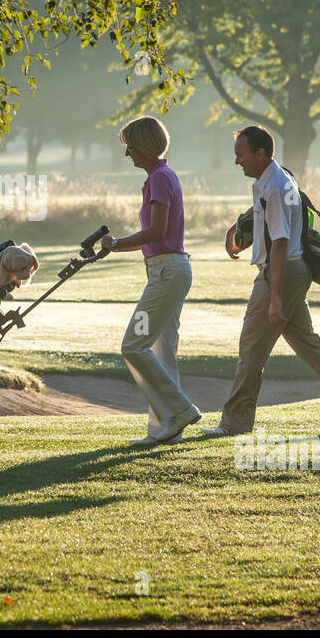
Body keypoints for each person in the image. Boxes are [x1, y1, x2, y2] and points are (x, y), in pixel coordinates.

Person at [204, 125, 320, 437]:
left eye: (241, 155)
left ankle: (235, 423)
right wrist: (236, 227)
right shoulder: (276, 177)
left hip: (281, 272)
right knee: (310, 347)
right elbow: (260, 209)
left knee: (251, 349)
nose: (237, 162)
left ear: (260, 154)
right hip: (295, 272)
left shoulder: (273, 187)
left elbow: (281, 243)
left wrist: (274, 297)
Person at [100, 116, 202, 445]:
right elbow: (156, 235)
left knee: (133, 344)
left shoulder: (160, 178)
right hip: (166, 271)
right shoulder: (158, 177)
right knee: (161, 351)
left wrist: (116, 244)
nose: (126, 153)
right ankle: (164, 430)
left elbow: (157, 231)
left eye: (129, 146)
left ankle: (180, 410)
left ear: (143, 146)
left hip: (166, 274)